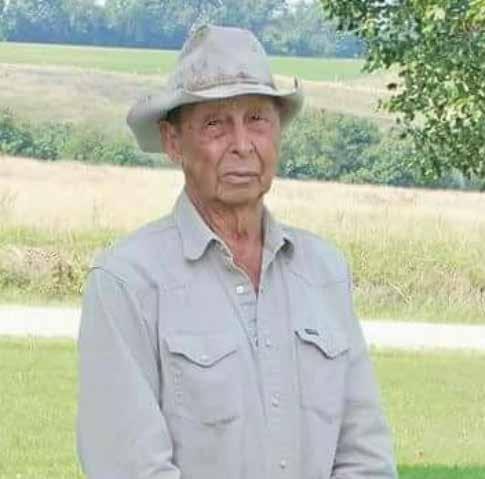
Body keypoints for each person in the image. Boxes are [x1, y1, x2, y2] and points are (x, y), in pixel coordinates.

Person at [76, 24, 398, 479]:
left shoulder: (325, 271)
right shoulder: (127, 282)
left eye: (257, 120)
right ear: (173, 141)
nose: (242, 146)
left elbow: (365, 456)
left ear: (278, 133)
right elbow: (129, 467)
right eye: (215, 124)